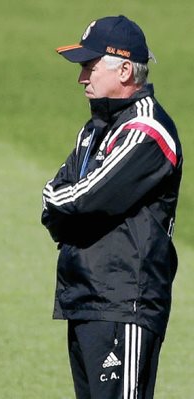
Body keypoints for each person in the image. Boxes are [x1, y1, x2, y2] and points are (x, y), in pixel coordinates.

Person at [41, 15, 183, 399]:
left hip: (125, 302)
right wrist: (64, 204)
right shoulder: (94, 130)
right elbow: (58, 200)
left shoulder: (147, 130)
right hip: (86, 296)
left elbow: (82, 198)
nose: (81, 77)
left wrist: (64, 204)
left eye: (89, 66)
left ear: (124, 69)